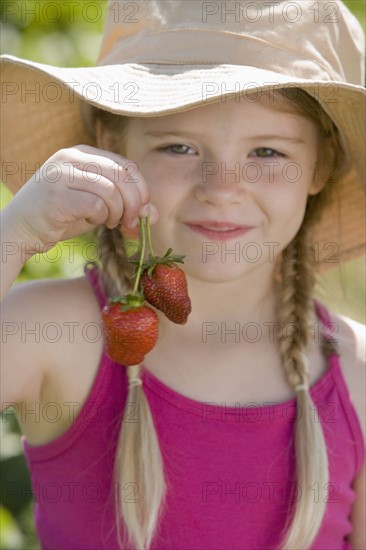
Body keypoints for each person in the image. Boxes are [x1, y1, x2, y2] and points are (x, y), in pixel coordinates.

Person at [1, 1, 365, 549]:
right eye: (179, 146)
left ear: (322, 164)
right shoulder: (57, 334)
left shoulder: (356, 373)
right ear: (111, 144)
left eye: (267, 151)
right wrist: (12, 235)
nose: (221, 187)